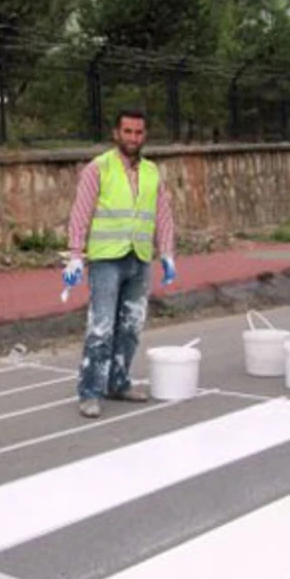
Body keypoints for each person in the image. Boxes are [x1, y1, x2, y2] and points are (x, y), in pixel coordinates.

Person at [63, 110, 177, 419]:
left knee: (131, 326)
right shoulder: (98, 169)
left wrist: (166, 252)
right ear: (116, 133)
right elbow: (80, 212)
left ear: (145, 136)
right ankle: (89, 390)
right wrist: (76, 253)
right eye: (127, 131)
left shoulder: (153, 172)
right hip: (107, 259)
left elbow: (162, 214)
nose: (133, 138)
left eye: (139, 132)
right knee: (101, 327)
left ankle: (118, 381)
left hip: (139, 258)